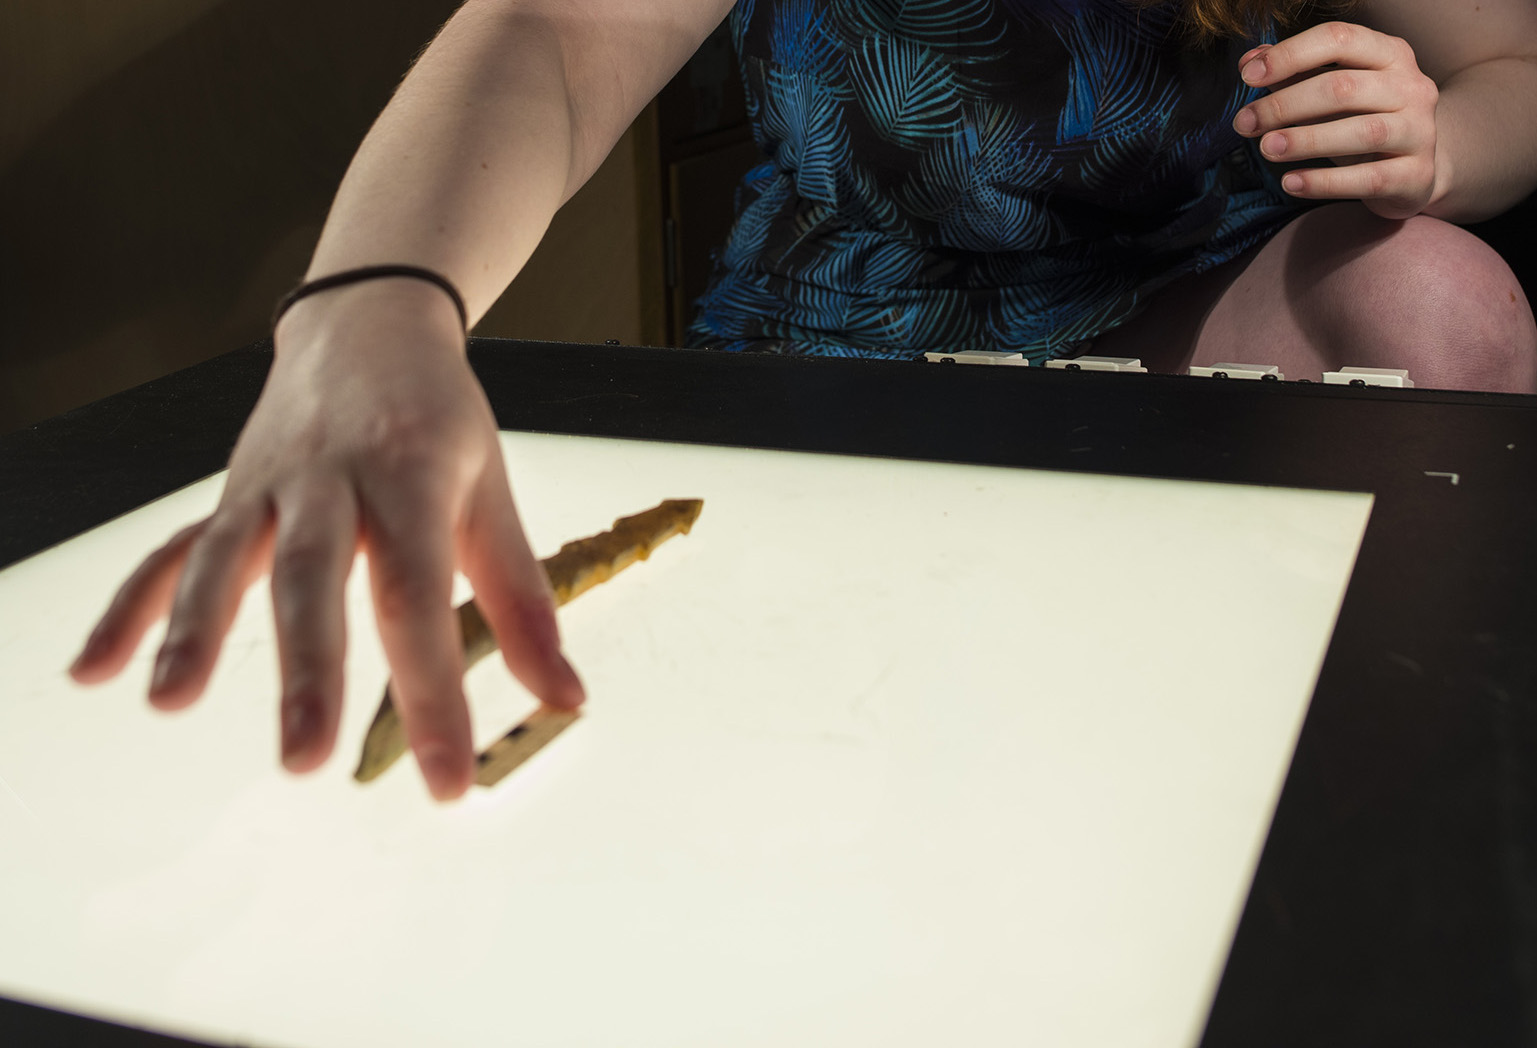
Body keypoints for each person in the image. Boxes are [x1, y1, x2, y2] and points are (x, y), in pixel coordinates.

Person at [69, 0, 1537, 801]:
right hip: (846, 325)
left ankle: (1384, 819)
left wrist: (1440, 139)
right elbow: (555, 37)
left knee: (1441, 300)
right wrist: (374, 305)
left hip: (1194, 309)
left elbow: (1505, 66)